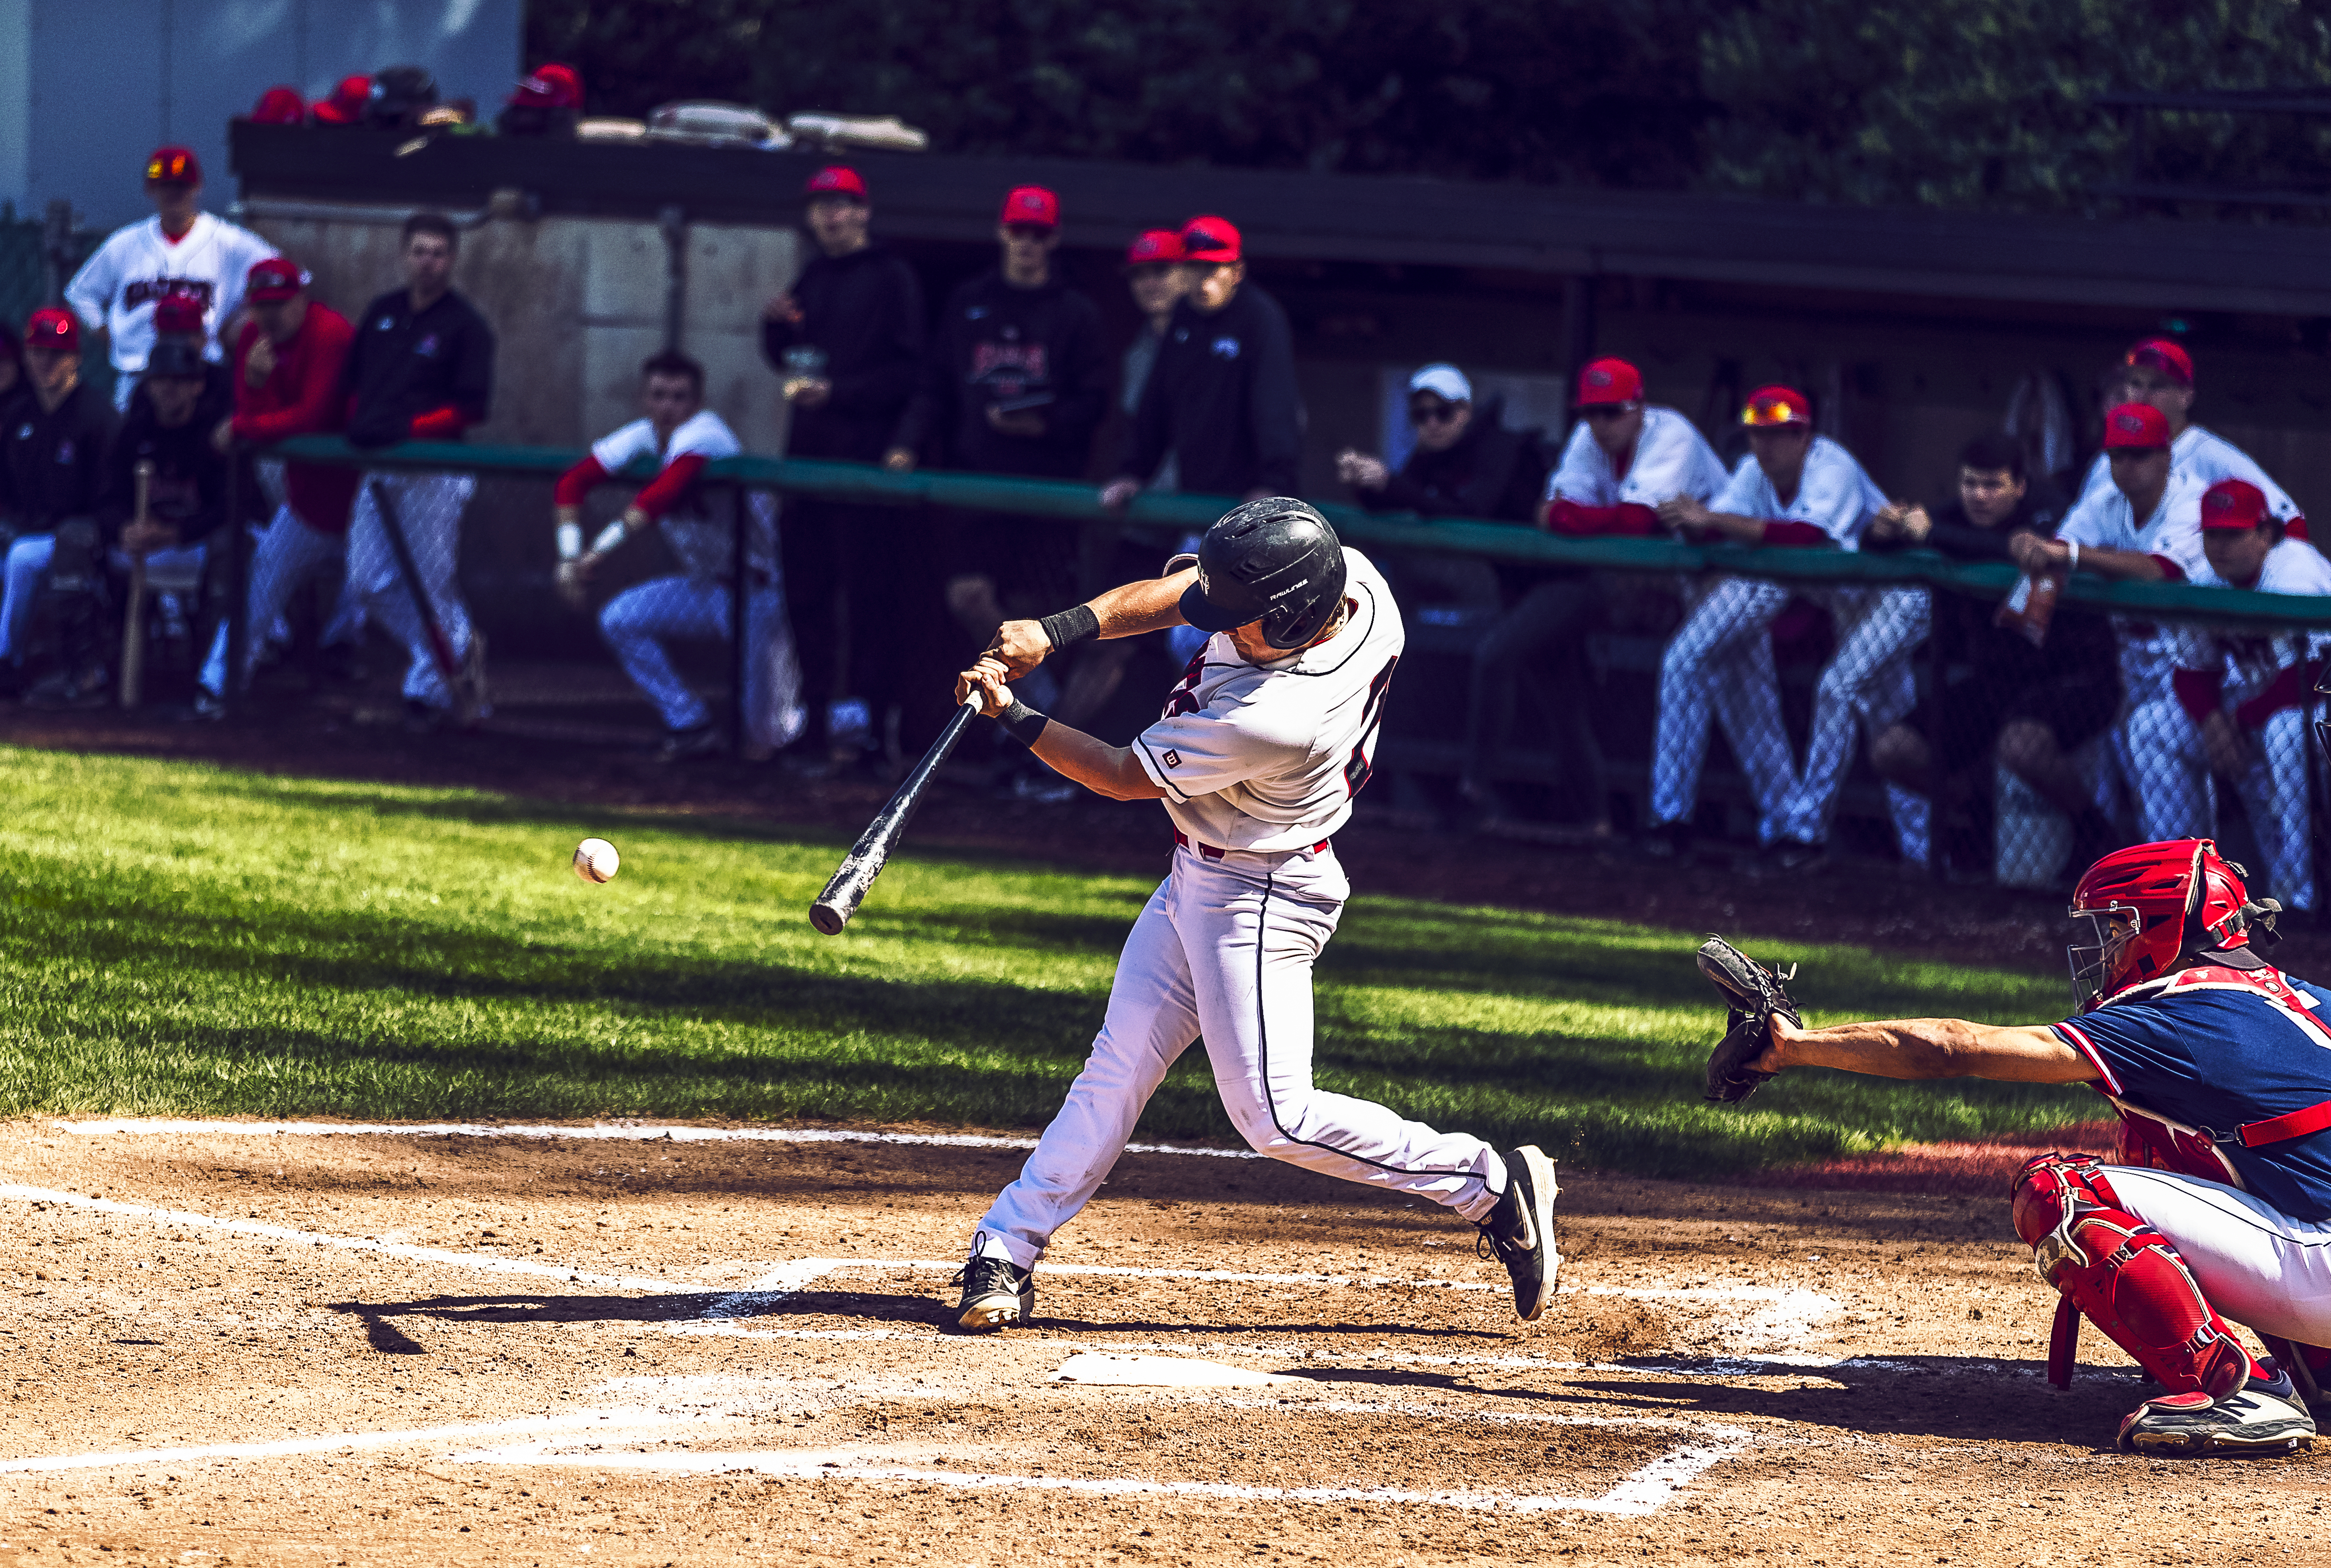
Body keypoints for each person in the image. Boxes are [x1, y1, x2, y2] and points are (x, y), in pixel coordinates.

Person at [945, 497, 1557, 1333]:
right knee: (1118, 1067)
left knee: (1275, 1116)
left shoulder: (1274, 717)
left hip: (1260, 896)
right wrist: (1056, 630)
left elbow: (1124, 775)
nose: (1219, 629)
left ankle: (1485, 1181)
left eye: (1241, 622)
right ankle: (1007, 1246)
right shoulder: (1358, 586)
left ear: (1295, 619)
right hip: (1203, 871)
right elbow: (1183, 589)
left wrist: (1010, 715)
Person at [1721, 839, 2326, 1456]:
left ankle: (2239, 1388)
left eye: (2118, 925)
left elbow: (1953, 1047)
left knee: (2060, 1193)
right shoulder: (2304, 999)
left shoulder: (2175, 1013)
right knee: (2150, 1140)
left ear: (2162, 930)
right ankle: (2319, 1367)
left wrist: (1792, 1044)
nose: (2108, 947)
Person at [1864, 432, 2122, 876]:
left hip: (2073, 676)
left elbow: (2017, 549)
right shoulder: (1954, 516)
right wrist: (1883, 529)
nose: (1978, 496)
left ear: (2019, 486)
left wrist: (1934, 535)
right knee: (1892, 751)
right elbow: (1879, 545)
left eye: (1992, 485)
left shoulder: (2050, 510)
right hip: (1994, 681)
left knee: (2021, 747)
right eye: (1970, 484)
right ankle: (1975, 809)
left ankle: (2094, 833)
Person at [1651, 386, 1888, 866]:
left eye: (1778, 436)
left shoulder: (1831, 465)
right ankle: (1684, 821)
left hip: (1879, 599)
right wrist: (1692, 522)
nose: (1765, 447)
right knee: (1686, 659)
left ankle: (1925, 858)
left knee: (1885, 715)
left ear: (1804, 436)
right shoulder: (1751, 472)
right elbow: (1721, 524)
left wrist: (1714, 519)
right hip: (1792, 580)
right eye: (1757, 436)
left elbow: (1806, 535)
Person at [1339, 363, 1567, 827]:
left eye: (1441, 413)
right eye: (1420, 415)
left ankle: (1475, 794)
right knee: (1562, 698)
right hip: (1517, 587)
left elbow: (1471, 510)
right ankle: (1590, 820)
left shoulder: (1498, 446)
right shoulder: (1432, 456)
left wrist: (1392, 484)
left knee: (1499, 658)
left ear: (1464, 412)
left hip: (1567, 580)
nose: (1431, 424)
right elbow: (1404, 497)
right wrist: (1369, 485)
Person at [553, 351, 803, 762]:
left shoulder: (706, 434)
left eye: (679, 397)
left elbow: (660, 496)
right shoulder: (643, 434)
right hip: (704, 588)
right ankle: (690, 723)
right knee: (620, 619)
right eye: (659, 396)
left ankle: (858, 719)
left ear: (697, 402)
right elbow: (573, 482)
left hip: (759, 593)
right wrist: (567, 555)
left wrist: (595, 551)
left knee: (767, 733)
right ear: (643, 399)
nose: (668, 407)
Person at [760, 165, 929, 765]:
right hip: (807, 469)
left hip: (865, 473)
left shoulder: (890, 278)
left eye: (843, 204)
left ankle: (871, 735)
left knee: (870, 606)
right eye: (821, 205)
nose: (832, 215)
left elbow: (910, 375)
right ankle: (810, 730)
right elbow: (786, 360)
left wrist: (839, 394)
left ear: (863, 211)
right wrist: (773, 327)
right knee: (806, 601)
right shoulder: (812, 277)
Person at [2013, 402, 2209, 845]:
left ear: (2166, 455)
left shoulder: (2190, 501)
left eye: (2139, 454)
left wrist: (2074, 556)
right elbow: (2056, 547)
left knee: (2232, 792)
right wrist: (2030, 544)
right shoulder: (2105, 503)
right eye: (2117, 455)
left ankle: (2259, 898)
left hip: (2201, 668)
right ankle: (2170, 885)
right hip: (2134, 667)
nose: (2126, 466)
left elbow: (2156, 569)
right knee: (2147, 784)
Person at [339, 212, 496, 730]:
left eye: (438, 253)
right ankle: (457, 649)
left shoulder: (465, 325)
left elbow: (471, 406)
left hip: (434, 466)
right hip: (379, 465)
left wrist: (408, 429)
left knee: (433, 583)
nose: (428, 262)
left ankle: (428, 692)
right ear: (403, 255)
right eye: (419, 251)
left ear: (452, 260)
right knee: (367, 582)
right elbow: (354, 384)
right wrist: (361, 425)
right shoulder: (383, 312)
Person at [197, 258, 363, 710]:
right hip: (309, 498)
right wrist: (253, 382)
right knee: (263, 578)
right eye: (262, 305)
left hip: (368, 498)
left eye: (281, 303)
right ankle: (220, 684)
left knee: (386, 587)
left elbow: (313, 417)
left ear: (302, 299)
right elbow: (258, 419)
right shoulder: (254, 338)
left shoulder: (330, 333)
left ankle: (439, 684)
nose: (271, 315)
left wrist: (244, 425)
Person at [2159, 480, 2331, 914]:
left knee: (2286, 733)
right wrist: (2214, 722)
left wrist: (2240, 719)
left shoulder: (2295, 573)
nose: (2220, 546)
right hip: (2255, 711)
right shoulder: (2203, 580)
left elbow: (2313, 673)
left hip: (2315, 711)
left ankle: (2301, 900)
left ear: (2266, 534)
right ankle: (2177, 891)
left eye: (2233, 534)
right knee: (2151, 726)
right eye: (2213, 534)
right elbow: (2191, 671)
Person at [1102, 216, 1301, 511]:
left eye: (1212, 268)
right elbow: (1156, 402)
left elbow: (1275, 406)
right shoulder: (1183, 315)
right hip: (1195, 491)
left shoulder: (1261, 318)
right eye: (1194, 268)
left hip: (1250, 498)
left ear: (1236, 272)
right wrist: (1133, 472)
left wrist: (1273, 483)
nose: (1203, 280)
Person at [63, 146, 277, 412]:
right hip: (138, 372)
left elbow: (288, 279)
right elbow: (81, 293)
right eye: (164, 185)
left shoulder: (229, 242)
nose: (173, 193)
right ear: (150, 189)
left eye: (181, 185)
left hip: (201, 375)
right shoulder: (124, 244)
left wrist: (243, 323)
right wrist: (109, 332)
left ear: (197, 187)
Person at [2067, 339, 2306, 542]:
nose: (2142, 395)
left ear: (2186, 396)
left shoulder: (2215, 458)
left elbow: (2291, 523)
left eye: (2157, 386)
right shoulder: (2109, 459)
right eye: (2135, 383)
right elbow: (2074, 535)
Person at [0, 309, 119, 701]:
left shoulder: (97, 417)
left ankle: (8, 662)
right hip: (28, 530)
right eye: (37, 353)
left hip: (82, 539)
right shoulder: (19, 415)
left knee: (22, 558)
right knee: (17, 550)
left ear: (75, 358)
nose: (45, 363)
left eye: (56, 354)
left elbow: (112, 503)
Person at [1118, 229, 1191, 490]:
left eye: (1161, 271)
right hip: (1152, 502)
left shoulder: (1223, 343)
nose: (1149, 284)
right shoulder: (1136, 354)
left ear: (1188, 273)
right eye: (1138, 275)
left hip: (1215, 503)